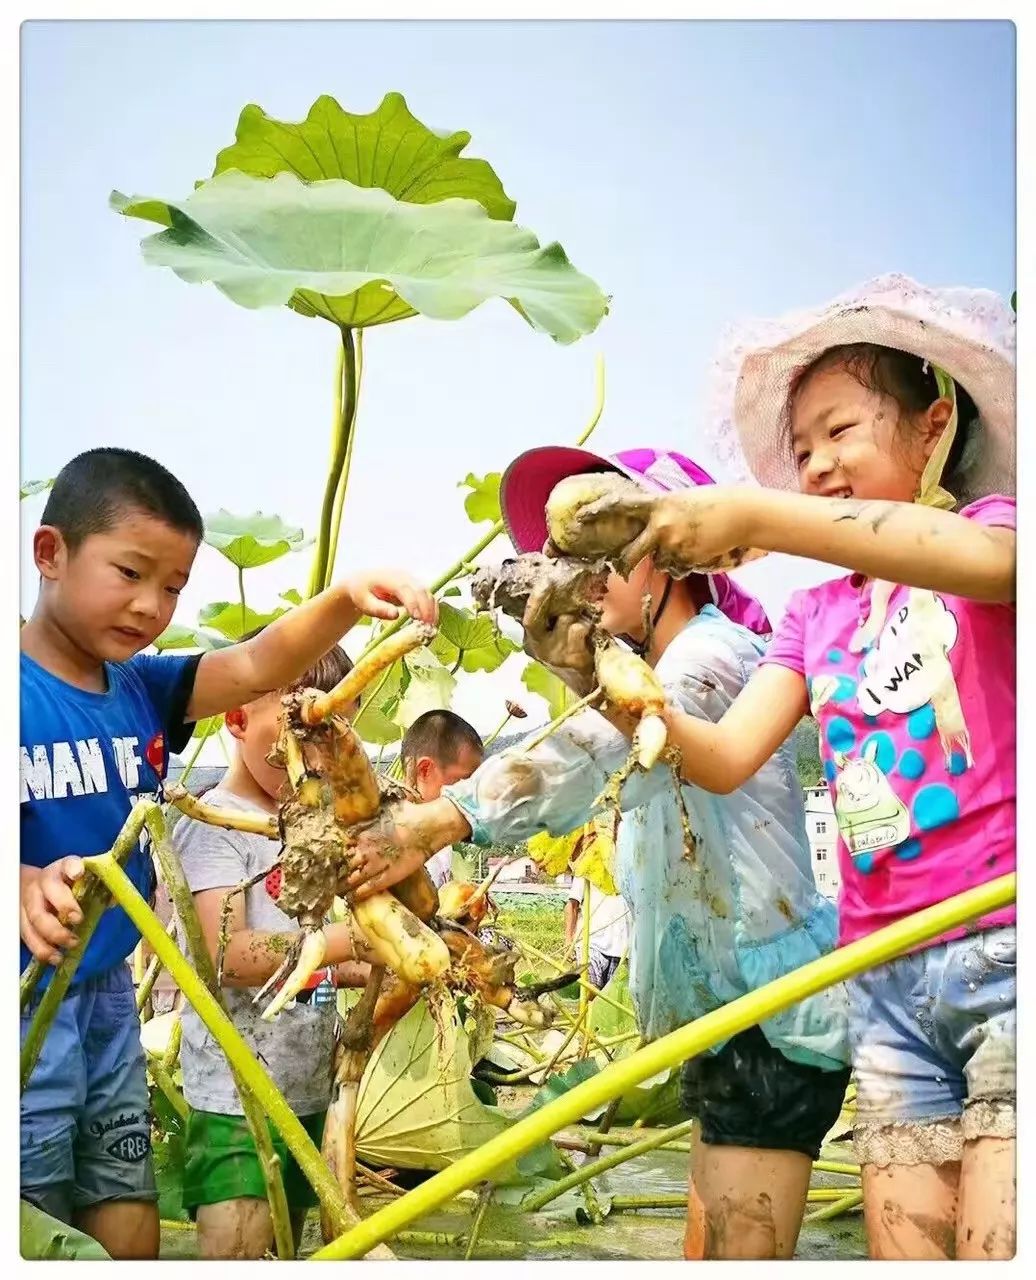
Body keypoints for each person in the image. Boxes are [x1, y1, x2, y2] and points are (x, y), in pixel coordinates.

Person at [565, 277, 1016, 1260]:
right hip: (882, 968)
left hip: (1002, 944)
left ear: (934, 422)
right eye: (797, 449)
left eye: (837, 430)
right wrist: (603, 678)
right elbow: (720, 758)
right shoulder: (814, 619)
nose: (813, 463)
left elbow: (988, 564)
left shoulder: (992, 526)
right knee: (910, 1245)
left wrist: (755, 518)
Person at [339, 446, 851, 1260]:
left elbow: (589, 755)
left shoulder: (709, 662)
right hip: (721, 1017)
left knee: (742, 1245)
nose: (585, 583)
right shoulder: (656, 667)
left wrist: (439, 820)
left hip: (767, 1017)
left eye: (604, 561)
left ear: (668, 563)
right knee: (710, 1243)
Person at [19, 446, 435, 1259]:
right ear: (51, 553)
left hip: (104, 1001)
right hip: (27, 1001)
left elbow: (255, 662)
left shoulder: (141, 688)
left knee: (123, 1200)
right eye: (131, 573)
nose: (150, 605)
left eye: (172, 587)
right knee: (34, 1209)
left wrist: (346, 598)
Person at [172, 635, 372, 1259]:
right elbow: (225, 955)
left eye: (333, 733)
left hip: (305, 1086)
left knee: (282, 1245)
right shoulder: (213, 823)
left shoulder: (315, 826)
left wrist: (363, 967)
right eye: (299, 727)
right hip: (238, 1099)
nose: (315, 753)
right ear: (236, 716)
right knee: (238, 1241)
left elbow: (306, 966)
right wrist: (345, 942)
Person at [398, 709, 484, 888]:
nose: (469, 796)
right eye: (462, 782)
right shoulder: (388, 840)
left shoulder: (442, 835)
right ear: (425, 769)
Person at [564, 865, 630, 993]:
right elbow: (572, 905)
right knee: (590, 990)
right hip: (590, 943)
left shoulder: (633, 866)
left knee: (610, 1001)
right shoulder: (588, 863)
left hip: (623, 950)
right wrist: (568, 939)